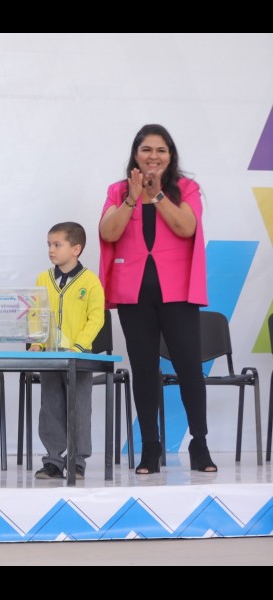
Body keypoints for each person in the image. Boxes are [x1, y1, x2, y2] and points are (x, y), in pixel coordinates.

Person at [98, 123, 215, 474]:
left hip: (177, 292)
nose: (153, 156)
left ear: (170, 155)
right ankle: (151, 446)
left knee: (189, 367)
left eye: (161, 150)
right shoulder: (119, 190)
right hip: (133, 294)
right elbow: (108, 232)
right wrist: (133, 199)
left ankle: (199, 444)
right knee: (145, 369)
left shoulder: (186, 189)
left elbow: (186, 227)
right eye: (146, 149)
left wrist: (158, 194)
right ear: (136, 154)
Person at [29, 222, 105, 480]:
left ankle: (77, 460)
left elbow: (96, 318)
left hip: (79, 359)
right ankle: (52, 460)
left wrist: (79, 346)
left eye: (57, 245)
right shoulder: (43, 279)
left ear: (76, 249)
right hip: (50, 358)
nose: (51, 250)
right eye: (49, 245)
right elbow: (35, 313)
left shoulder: (90, 282)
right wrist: (37, 342)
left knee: (79, 408)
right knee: (50, 407)